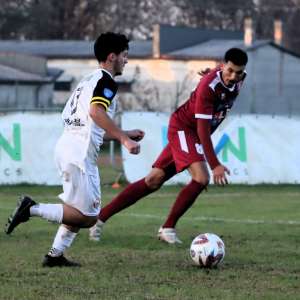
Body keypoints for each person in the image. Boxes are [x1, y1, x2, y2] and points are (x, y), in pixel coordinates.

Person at [5, 32, 145, 266]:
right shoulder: (107, 81)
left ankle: (55, 256)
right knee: (89, 217)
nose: (126, 61)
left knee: (75, 209)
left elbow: (91, 121)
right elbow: (95, 113)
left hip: (69, 146)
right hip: (80, 154)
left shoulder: (89, 80)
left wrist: (125, 133)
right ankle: (31, 209)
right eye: (124, 55)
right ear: (112, 57)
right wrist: (124, 139)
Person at [89, 47, 248, 244]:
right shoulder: (209, 87)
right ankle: (168, 228)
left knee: (153, 181)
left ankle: (99, 218)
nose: (233, 76)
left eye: (238, 72)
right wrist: (215, 164)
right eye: (229, 71)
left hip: (190, 134)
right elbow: (202, 132)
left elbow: (226, 75)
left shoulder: (240, 77)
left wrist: (214, 71)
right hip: (185, 129)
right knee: (202, 177)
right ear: (224, 65)